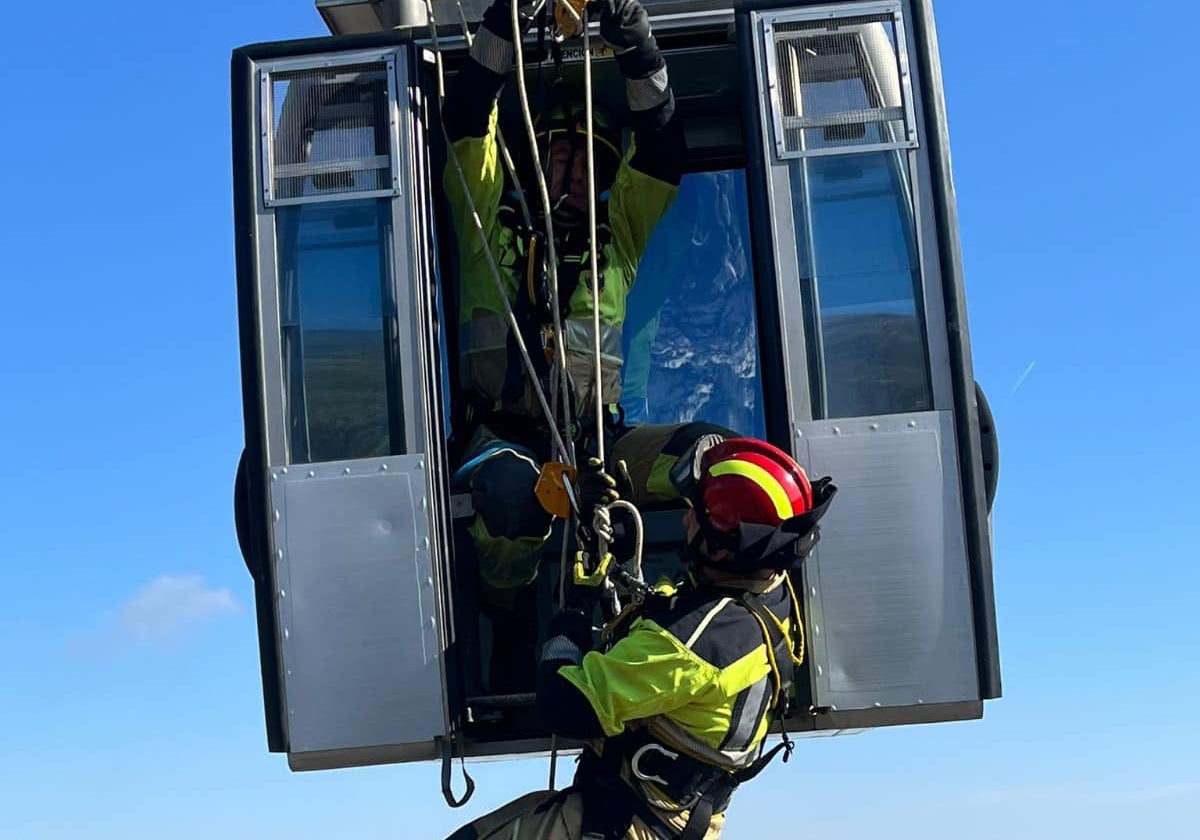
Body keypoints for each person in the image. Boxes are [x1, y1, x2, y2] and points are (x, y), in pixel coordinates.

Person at [443, 0, 733, 693]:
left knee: (722, 461)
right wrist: (499, 19)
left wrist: (634, 41)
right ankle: (509, 616)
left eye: (588, 163)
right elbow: (467, 118)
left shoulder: (620, 238)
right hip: (502, 438)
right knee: (515, 497)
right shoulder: (485, 214)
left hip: (600, 447)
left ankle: (707, 618)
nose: (570, 173)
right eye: (560, 155)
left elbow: (662, 150)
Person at [445, 437, 838, 840]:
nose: (685, 520)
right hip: (668, 816)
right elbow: (680, 617)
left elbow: (562, 705)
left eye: (696, 515)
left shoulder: (691, 645)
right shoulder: (768, 590)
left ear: (723, 550)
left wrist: (576, 606)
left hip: (627, 821)